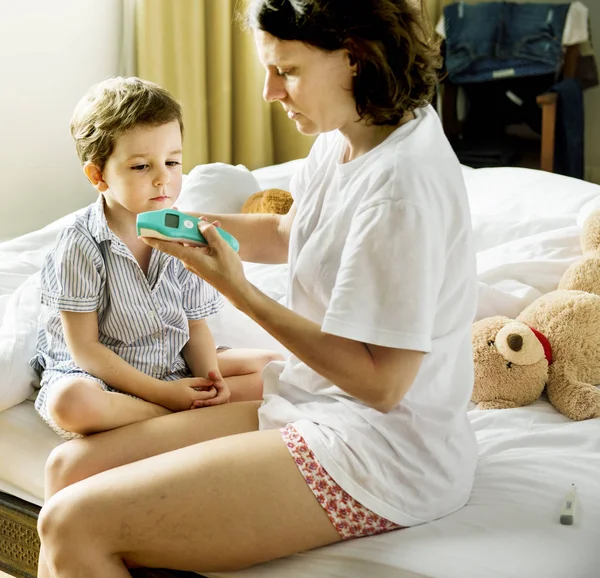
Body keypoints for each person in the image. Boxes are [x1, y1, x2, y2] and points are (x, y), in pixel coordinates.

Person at [36, 1, 479, 576]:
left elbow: (382, 386)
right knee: (70, 469)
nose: (270, 91)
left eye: (287, 71)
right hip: (310, 401)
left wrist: (240, 291)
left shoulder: (402, 192)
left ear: (355, 59)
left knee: (71, 521)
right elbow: (289, 232)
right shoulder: (348, 136)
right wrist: (185, 228)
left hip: (380, 451)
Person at [30, 76, 282, 441]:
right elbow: (85, 350)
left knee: (275, 367)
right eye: (141, 167)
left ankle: (193, 407)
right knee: (72, 404)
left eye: (172, 162)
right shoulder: (80, 243)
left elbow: (195, 327)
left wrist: (211, 377)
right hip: (100, 375)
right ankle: (174, 416)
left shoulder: (185, 232)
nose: (163, 179)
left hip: (169, 363)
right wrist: (165, 396)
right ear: (98, 175)